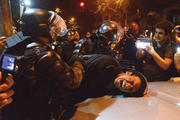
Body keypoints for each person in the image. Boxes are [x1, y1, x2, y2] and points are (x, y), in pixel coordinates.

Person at [2, 8, 84, 120]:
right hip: (37, 113)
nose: (55, 32)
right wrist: (78, 60)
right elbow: (72, 81)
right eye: (53, 28)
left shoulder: (12, 46)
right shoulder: (43, 54)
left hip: (13, 110)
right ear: (43, 28)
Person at [67, 54, 148, 106]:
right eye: (132, 82)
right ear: (129, 73)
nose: (128, 86)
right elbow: (78, 60)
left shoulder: (114, 91)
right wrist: (77, 73)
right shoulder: (108, 63)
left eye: (131, 89)